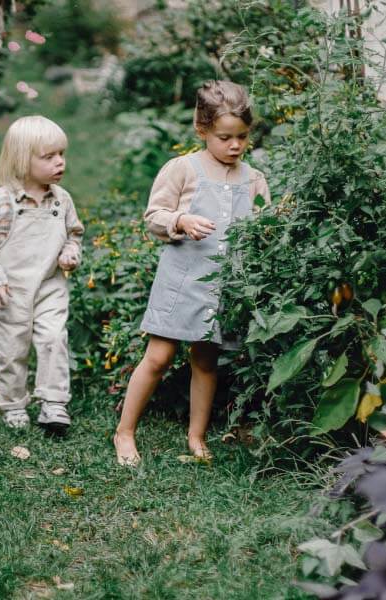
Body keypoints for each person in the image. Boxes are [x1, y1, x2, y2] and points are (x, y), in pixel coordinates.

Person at [112, 81, 270, 466]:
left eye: (242, 137)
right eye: (224, 137)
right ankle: (125, 431)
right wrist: (180, 219)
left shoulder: (254, 179)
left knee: (206, 360)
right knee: (159, 356)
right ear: (202, 131)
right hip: (182, 279)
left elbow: (264, 226)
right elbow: (154, 216)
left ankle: (196, 436)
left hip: (225, 286)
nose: (234, 145)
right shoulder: (184, 169)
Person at [0, 115, 84, 431]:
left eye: (62, 154)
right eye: (49, 157)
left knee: (53, 339)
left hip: (50, 284)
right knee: (11, 350)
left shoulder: (62, 200)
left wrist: (69, 253)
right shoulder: (3, 202)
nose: (60, 162)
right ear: (22, 160)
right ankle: (13, 403)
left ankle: (53, 403)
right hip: (11, 289)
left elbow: (74, 233)